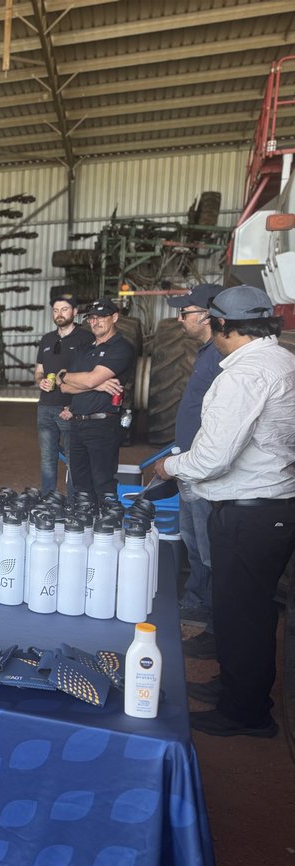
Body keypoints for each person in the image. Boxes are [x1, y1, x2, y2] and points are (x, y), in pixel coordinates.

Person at [154, 285, 295, 739]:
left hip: (249, 511)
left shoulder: (242, 375)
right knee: (249, 611)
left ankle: (246, 713)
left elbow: (214, 457)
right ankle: (235, 687)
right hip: (273, 506)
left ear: (223, 325)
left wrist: (169, 465)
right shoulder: (283, 360)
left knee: (242, 614)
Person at [165, 284, 225, 644]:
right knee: (192, 538)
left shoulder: (221, 357)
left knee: (207, 545)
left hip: (203, 467)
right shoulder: (207, 353)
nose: (180, 319)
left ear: (206, 315)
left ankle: (216, 622)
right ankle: (197, 601)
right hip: (188, 462)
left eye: (184, 312)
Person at [55, 299, 137, 497]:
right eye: (92, 318)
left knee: (103, 483)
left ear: (115, 317)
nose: (95, 322)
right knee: (80, 483)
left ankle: (106, 526)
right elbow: (63, 385)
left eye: (101, 317)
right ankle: (85, 524)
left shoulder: (121, 348)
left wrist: (74, 377)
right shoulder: (85, 349)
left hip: (103, 425)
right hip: (77, 424)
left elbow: (86, 380)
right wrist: (95, 384)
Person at [34, 293, 94, 492]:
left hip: (69, 408)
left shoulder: (86, 339)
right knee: (46, 460)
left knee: (73, 459)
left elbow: (90, 376)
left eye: (65, 309)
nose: (59, 314)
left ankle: (72, 503)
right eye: (56, 310)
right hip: (45, 408)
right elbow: (39, 371)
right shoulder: (47, 339)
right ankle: (48, 501)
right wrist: (40, 381)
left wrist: (74, 406)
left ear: (75, 312)